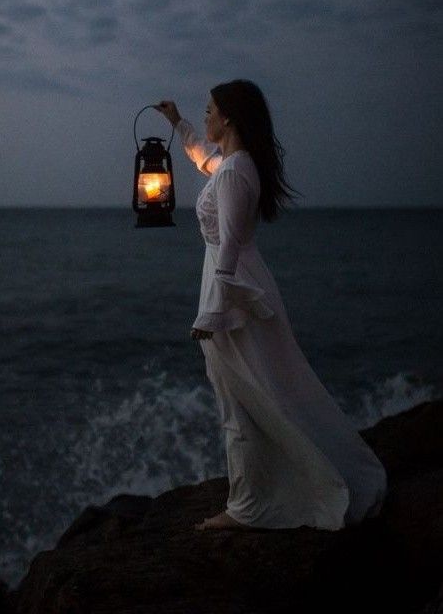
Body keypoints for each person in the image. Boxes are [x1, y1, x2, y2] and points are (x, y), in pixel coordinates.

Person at [153, 79, 388, 532]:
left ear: (229, 118)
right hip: (235, 285)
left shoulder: (239, 172)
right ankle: (266, 487)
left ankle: (247, 505)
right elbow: (205, 158)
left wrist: (213, 312)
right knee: (253, 390)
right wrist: (178, 123)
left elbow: (230, 248)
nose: (206, 117)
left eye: (208, 111)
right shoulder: (232, 165)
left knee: (241, 396)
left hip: (235, 290)